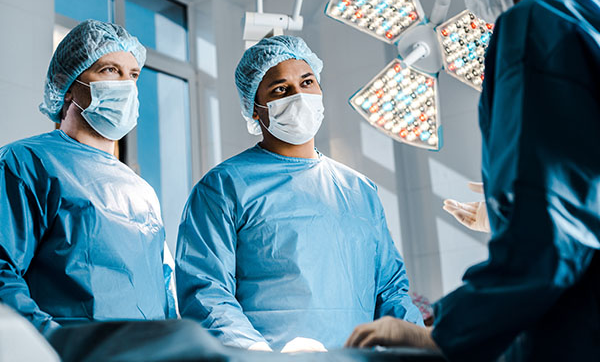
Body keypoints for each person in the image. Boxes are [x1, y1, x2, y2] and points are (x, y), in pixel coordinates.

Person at [345, 0, 600, 360]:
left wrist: (441, 332)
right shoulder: (590, 10)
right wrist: (512, 207)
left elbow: (549, 240)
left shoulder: (538, 21)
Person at [175, 35, 423, 352]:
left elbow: (391, 290)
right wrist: (261, 358)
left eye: (307, 82)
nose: (299, 95)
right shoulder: (224, 186)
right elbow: (206, 293)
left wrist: (420, 347)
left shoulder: (359, 189)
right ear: (255, 108)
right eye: (281, 89)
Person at [0, 19, 177, 335]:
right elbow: (2, 272)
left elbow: (164, 291)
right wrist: (56, 344)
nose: (125, 84)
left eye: (133, 75)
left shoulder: (142, 192)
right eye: (110, 70)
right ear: (66, 83)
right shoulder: (25, 163)